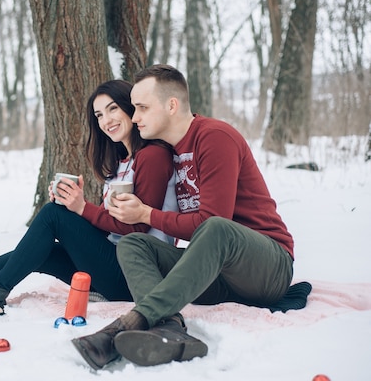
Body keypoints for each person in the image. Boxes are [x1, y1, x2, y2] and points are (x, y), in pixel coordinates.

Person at [0, 79, 178, 322]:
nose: (106, 120)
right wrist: (77, 207)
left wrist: (80, 209)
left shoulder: (152, 156)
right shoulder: (122, 162)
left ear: (131, 108)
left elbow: (139, 227)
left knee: (53, 215)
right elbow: (114, 225)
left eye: (113, 109)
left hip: (134, 275)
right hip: (114, 262)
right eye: (99, 115)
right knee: (46, 250)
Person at [72, 64, 296, 369]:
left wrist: (148, 214)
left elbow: (211, 224)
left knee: (217, 227)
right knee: (134, 243)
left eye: (142, 108)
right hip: (217, 274)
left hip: (266, 267)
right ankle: (170, 329)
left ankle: (125, 325)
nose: (134, 117)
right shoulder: (167, 152)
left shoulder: (214, 137)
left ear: (172, 106)